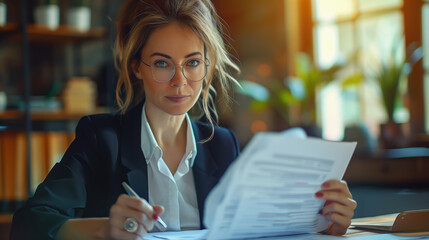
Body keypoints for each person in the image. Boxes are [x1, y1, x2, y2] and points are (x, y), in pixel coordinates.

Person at [10, 0, 357, 239]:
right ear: (137, 67)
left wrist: (321, 222)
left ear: (207, 66)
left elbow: (251, 228)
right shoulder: (101, 139)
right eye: (162, 63)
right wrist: (105, 229)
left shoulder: (222, 144)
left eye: (192, 62)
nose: (180, 81)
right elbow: (28, 224)